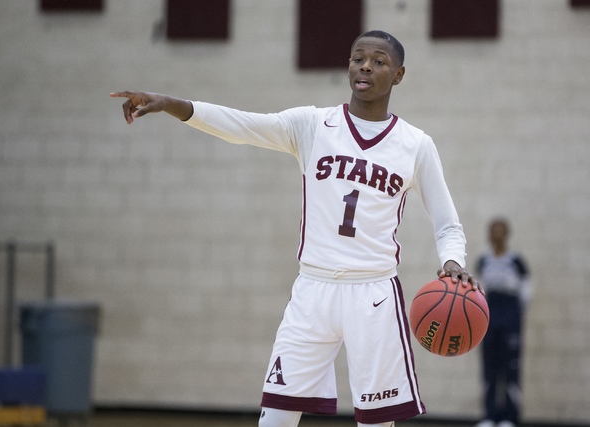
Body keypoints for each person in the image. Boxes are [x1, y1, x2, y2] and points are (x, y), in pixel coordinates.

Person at [111, 30, 483, 427]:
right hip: (313, 289)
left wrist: (452, 261)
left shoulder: (416, 144)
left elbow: (447, 223)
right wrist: (170, 104)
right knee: (275, 417)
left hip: (374, 293)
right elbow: (241, 125)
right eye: (358, 58)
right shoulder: (313, 124)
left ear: (399, 75)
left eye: (379, 61)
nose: (365, 67)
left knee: (377, 423)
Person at [475, 219, 531, 427]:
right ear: (488, 234)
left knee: (510, 369)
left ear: (507, 234)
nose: (497, 235)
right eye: (493, 231)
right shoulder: (483, 260)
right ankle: (490, 416)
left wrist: (515, 317)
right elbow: (476, 294)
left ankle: (509, 417)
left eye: (501, 231)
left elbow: (527, 293)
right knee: (489, 368)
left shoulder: (517, 262)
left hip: (510, 317)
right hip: (489, 317)